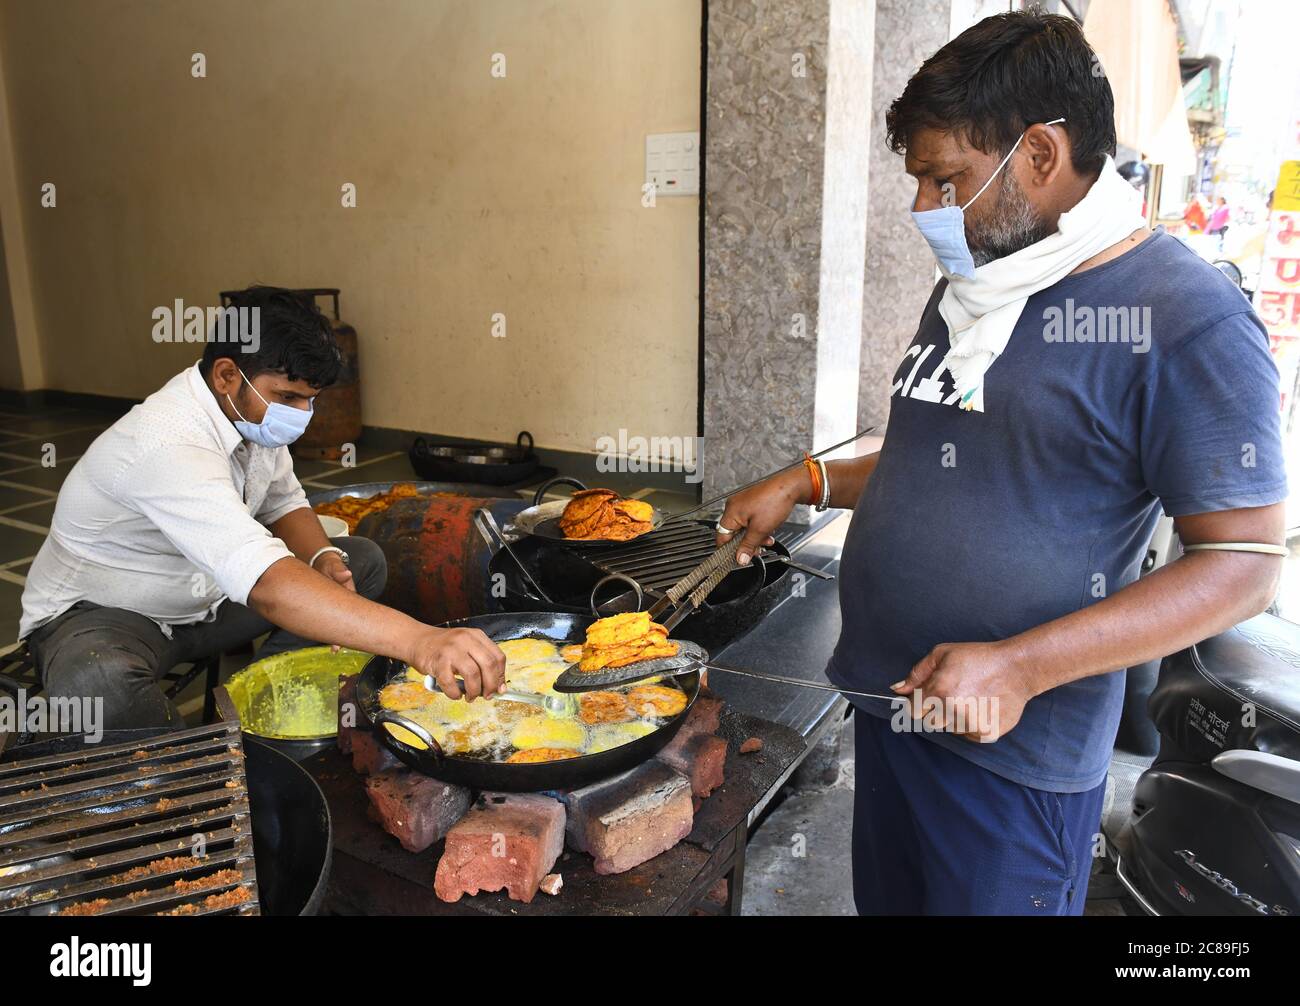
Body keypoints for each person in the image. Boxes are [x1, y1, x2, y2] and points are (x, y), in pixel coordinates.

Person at [716, 10, 1286, 915]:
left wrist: (1020, 667)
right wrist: (808, 481)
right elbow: (944, 456)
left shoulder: (1185, 317)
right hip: (895, 709)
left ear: (1043, 155)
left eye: (946, 181)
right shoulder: (982, 281)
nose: (923, 212)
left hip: (1014, 762)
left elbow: (1244, 565)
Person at [21, 286, 505, 730]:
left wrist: (321, 559)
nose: (299, 414)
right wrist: (421, 641)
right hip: (107, 616)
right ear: (227, 374)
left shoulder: (246, 413)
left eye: (309, 400)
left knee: (360, 560)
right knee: (100, 684)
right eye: (288, 397)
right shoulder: (165, 443)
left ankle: (253, 704)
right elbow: (267, 585)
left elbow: (284, 499)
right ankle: (206, 761)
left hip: (204, 602)